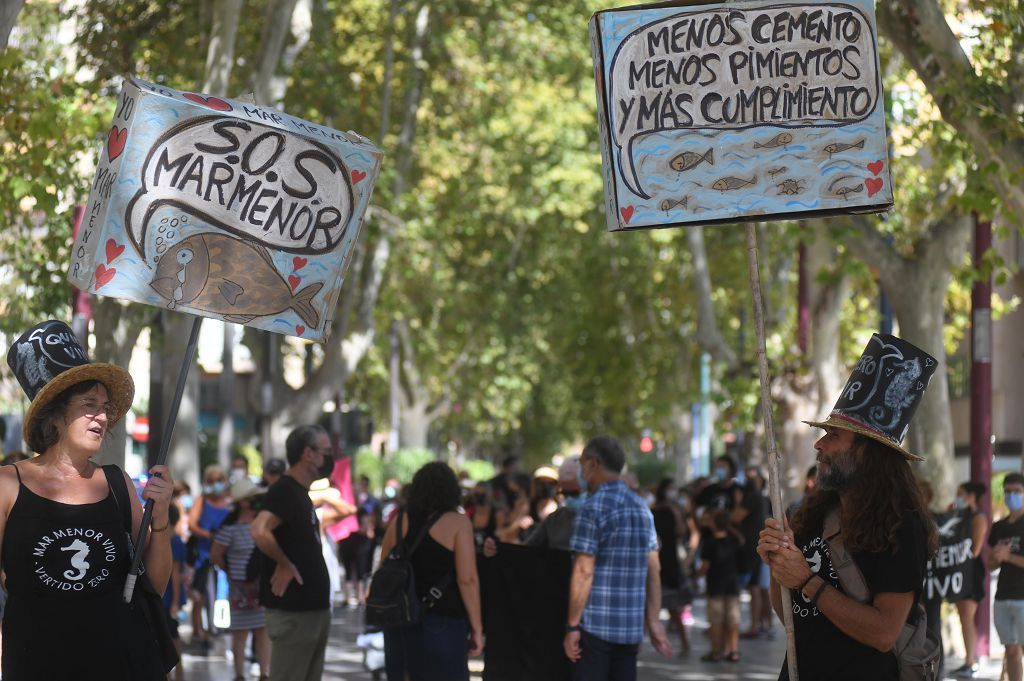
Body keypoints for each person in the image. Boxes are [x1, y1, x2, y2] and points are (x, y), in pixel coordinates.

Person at [757, 333, 939, 680]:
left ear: (866, 453)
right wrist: (776, 563)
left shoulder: (902, 526)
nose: (819, 444)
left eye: (833, 435)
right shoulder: (810, 515)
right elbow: (790, 616)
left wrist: (806, 580)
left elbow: (884, 634)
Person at [1, 320, 175, 679]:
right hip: (36, 665)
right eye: (89, 404)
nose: (102, 415)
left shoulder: (116, 483)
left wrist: (161, 519)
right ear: (57, 415)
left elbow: (153, 585)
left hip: (118, 664)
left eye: (105, 407)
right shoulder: (7, 484)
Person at [564, 435, 672, 680]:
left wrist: (572, 625)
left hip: (594, 630)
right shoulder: (641, 508)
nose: (580, 469)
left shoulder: (591, 509)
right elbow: (653, 569)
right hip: (630, 631)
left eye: (581, 463)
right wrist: (653, 621)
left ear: (593, 464)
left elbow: (583, 572)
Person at [378, 461, 484, 681]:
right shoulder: (458, 524)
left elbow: (383, 570)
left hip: (399, 621)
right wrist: (477, 627)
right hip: (443, 621)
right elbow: (467, 579)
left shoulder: (398, 522)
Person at [250, 425, 335, 681]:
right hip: (294, 614)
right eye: (326, 451)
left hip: (311, 612)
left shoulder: (300, 492)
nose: (330, 457)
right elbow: (259, 529)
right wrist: (284, 563)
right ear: (308, 453)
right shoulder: (285, 490)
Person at [213, 478, 271, 681]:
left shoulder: (262, 523)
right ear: (244, 502)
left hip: (260, 587)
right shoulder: (230, 528)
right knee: (240, 631)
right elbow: (216, 554)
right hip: (239, 588)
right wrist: (232, 574)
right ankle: (239, 674)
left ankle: (265, 673)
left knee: (263, 630)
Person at [187, 463, 232, 650]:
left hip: (227, 555)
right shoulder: (202, 500)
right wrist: (209, 535)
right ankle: (199, 630)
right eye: (211, 481)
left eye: (219, 480)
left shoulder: (231, 501)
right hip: (204, 556)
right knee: (200, 595)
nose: (216, 484)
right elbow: (191, 524)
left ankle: (221, 626)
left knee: (225, 592)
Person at [949, 481, 987, 678]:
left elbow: (975, 550)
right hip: (958, 571)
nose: (958, 497)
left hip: (970, 572)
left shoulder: (978, 517)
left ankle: (970, 662)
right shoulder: (958, 517)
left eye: (961, 493)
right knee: (963, 616)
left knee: (967, 617)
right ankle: (969, 660)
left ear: (972, 496)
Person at [988, 472, 1024, 681]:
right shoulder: (998, 527)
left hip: (1022, 597)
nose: (1012, 496)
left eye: (1017, 492)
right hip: (1002, 597)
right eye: (1008, 492)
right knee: (1011, 651)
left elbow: (1006, 557)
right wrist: (996, 558)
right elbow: (990, 565)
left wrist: (1008, 556)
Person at [699, 510, 744, 662]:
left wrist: (695, 577)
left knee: (716, 621)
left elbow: (705, 566)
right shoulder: (735, 540)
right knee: (732, 620)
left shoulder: (709, 543)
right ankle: (733, 650)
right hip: (732, 584)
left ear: (714, 524)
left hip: (715, 586)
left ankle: (716, 651)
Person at [651, 477, 690, 656]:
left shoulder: (657, 509)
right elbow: (681, 531)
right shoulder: (661, 510)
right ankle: (684, 645)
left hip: (663, 560)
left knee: (672, 606)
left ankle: (684, 644)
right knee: (672, 605)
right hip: (666, 560)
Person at [162, 502, 187, 681]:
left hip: (169, 597)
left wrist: (175, 602)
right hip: (165, 596)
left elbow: (175, 574)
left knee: (172, 634)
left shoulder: (174, 541)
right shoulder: (168, 539)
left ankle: (178, 671)